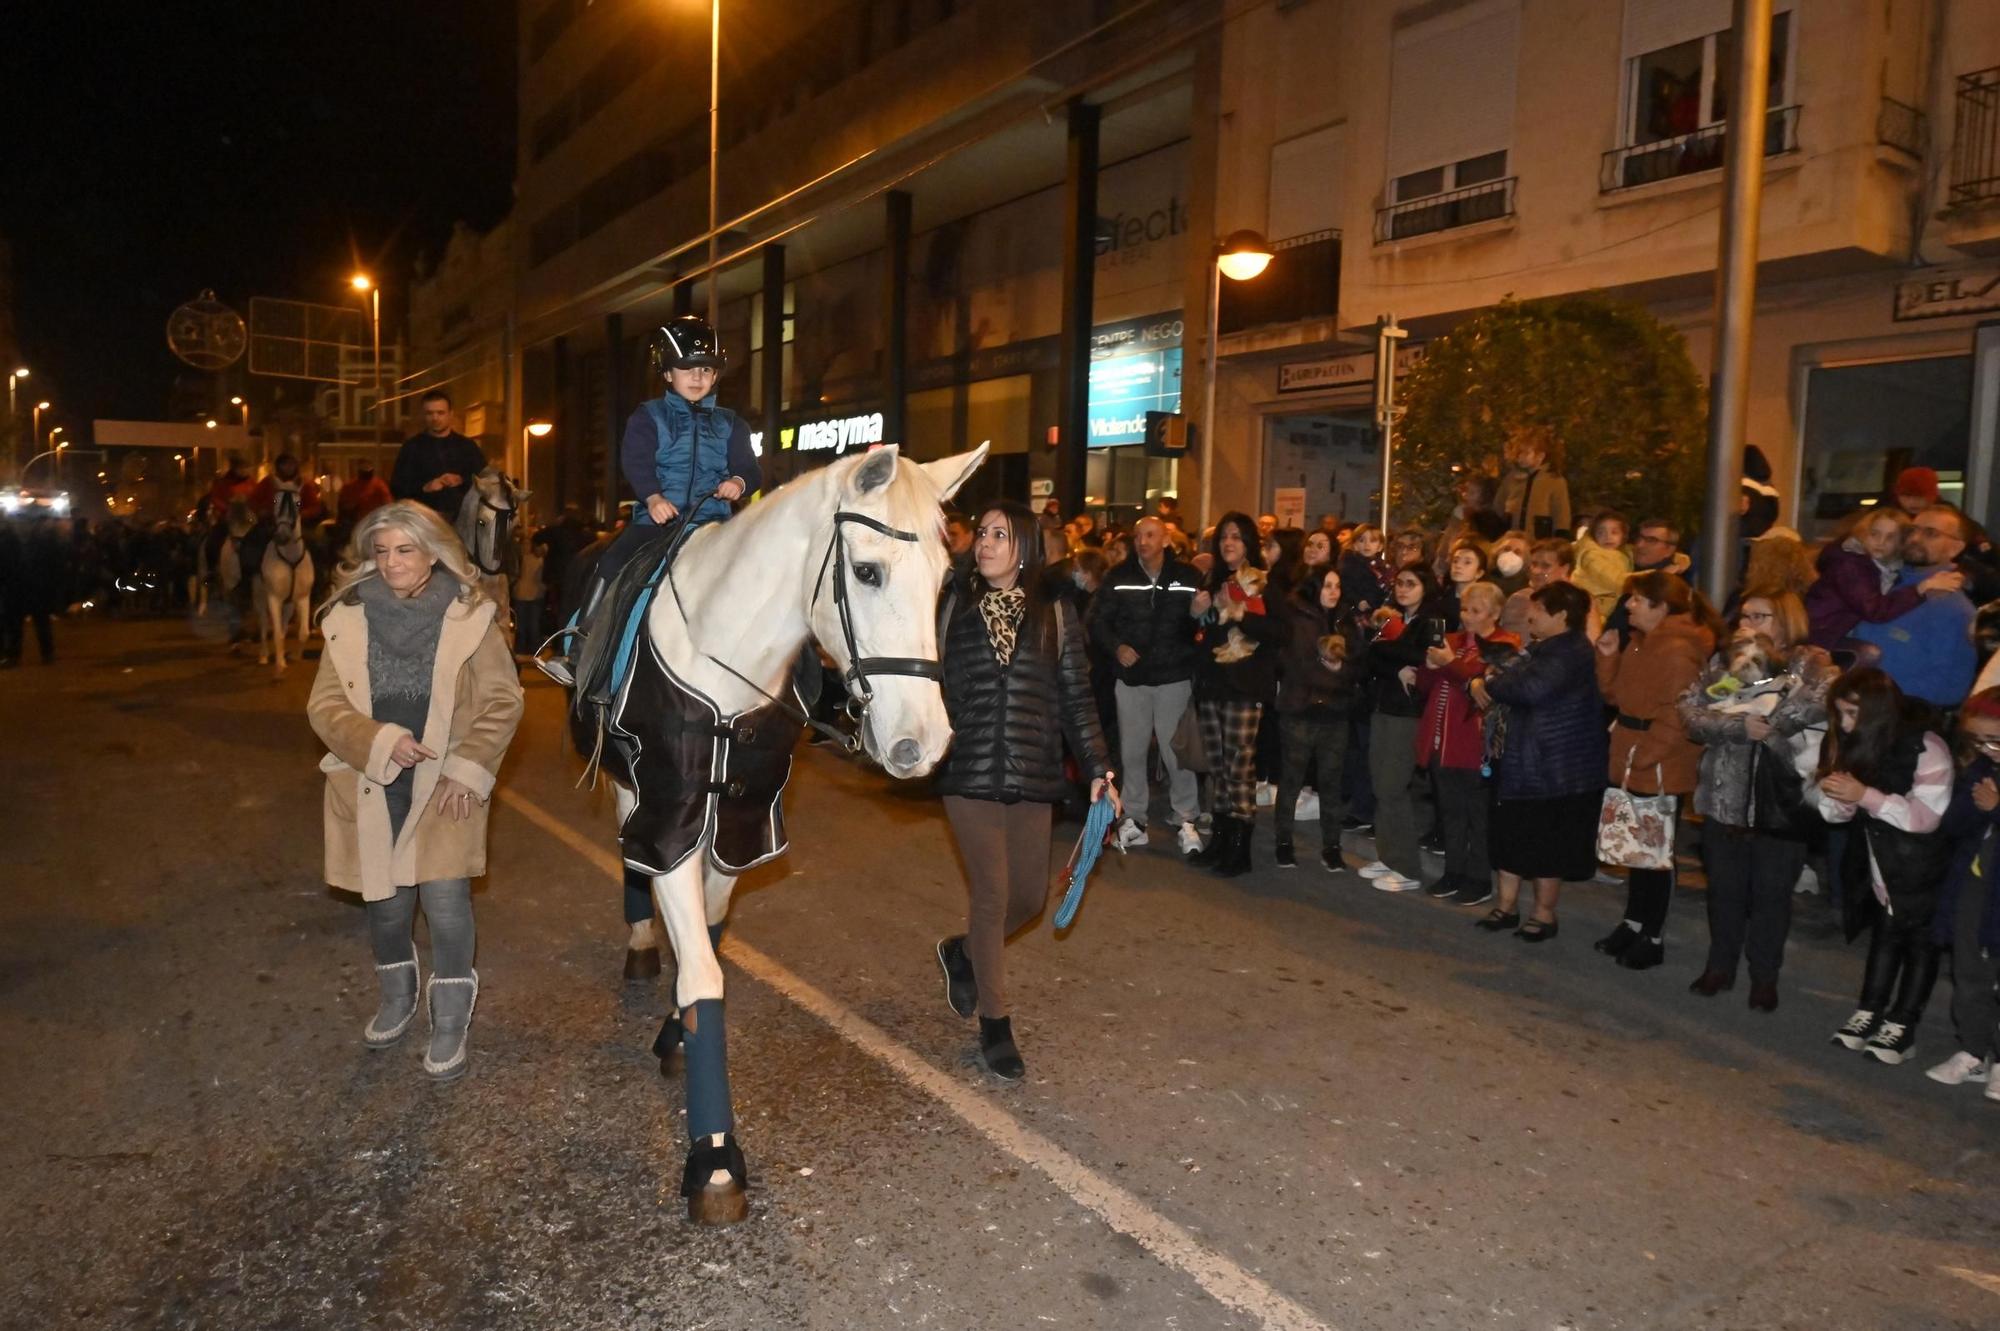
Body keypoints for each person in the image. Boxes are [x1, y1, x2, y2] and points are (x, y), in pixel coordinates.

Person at [306, 500, 525, 1081]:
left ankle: (450, 1023)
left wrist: (467, 767)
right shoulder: (348, 615)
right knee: (386, 907)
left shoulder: (471, 615)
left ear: (433, 552)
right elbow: (324, 705)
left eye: (405, 549)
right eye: (381, 551)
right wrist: (378, 740)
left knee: (447, 905)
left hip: (446, 782)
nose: (392, 562)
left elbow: (503, 700)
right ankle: (397, 1000)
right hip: (371, 778)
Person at [932, 500, 1115, 1082]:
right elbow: (926, 683)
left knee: (1030, 901)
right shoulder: (951, 607)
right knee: (991, 894)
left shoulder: (1057, 614)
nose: (984, 543)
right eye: (981, 534)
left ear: (1025, 547)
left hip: (1032, 771)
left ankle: (963, 953)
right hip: (969, 771)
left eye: (999, 535)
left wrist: (1099, 770)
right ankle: (996, 1023)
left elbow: (1077, 701)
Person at [1678, 592, 1834, 1010]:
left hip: (1780, 801)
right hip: (1724, 797)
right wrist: (1737, 726)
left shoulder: (1811, 662)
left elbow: (1824, 703)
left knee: (1772, 895)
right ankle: (1719, 966)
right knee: (1724, 891)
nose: (1747, 622)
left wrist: (1771, 721)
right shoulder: (1726, 660)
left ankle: (1765, 976)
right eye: (1743, 614)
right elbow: (1691, 712)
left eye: (1759, 616)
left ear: (1784, 621)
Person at [1815, 667, 1953, 1065]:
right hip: (1880, 863)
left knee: (1919, 945)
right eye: (1840, 713)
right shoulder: (1853, 742)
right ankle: (1870, 1010)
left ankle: (1904, 1022)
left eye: (1852, 713)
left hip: (1922, 866)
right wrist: (1841, 798)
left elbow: (1926, 818)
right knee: (1885, 935)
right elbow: (1834, 815)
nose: (1844, 723)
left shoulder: (1925, 746)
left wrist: (1865, 796)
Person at [1593, 571, 1719, 969]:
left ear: (1660, 606)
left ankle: (1653, 934)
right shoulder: (1640, 644)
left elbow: (1677, 714)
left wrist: (1647, 754)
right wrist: (1608, 656)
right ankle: (1633, 923)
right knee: (1635, 847)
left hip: (1655, 761)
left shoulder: (1678, 650)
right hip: (1633, 753)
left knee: (1656, 851)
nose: (1628, 605)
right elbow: (1615, 695)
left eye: (1636, 599)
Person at [1468, 581, 1606, 938]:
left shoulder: (1571, 651)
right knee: (1509, 837)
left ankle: (1544, 915)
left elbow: (1529, 689)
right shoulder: (1543, 648)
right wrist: (1489, 679)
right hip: (1522, 761)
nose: (1530, 614)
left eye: (1538, 609)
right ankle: (1505, 906)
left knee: (1546, 845)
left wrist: (1489, 683)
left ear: (1561, 615)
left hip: (1552, 766)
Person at [1094, 516, 1204, 855]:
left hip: (1173, 676)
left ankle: (1186, 817)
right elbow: (1098, 621)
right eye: (1139, 535)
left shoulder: (1187, 576)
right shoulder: (1119, 576)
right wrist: (1117, 647)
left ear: (1167, 539)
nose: (1143, 541)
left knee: (1176, 753)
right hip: (1132, 680)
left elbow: (1202, 624)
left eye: (1151, 535)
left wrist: (1201, 613)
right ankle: (1135, 818)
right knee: (1132, 751)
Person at [1186, 512, 1282, 876]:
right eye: (1224, 537)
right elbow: (1198, 637)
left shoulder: (1261, 583)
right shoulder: (1212, 581)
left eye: (1237, 537)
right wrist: (1194, 615)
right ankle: (1222, 841)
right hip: (1212, 684)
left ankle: (1240, 849)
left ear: (1249, 544)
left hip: (1244, 686)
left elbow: (1280, 632)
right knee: (1219, 768)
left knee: (1239, 768)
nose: (1229, 543)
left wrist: (1240, 613)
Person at [1414, 581, 1520, 904]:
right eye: (1465, 609)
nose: (1467, 616)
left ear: (1495, 613)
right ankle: (1453, 871)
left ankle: (1478, 878)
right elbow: (1424, 685)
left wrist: (1448, 664)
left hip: (1475, 743)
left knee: (1478, 815)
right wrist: (1430, 667)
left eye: (1476, 611)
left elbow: (1484, 687)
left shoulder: (1505, 644)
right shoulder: (1452, 641)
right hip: (1441, 739)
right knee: (1451, 812)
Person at [1356, 563, 1450, 891]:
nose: (1403, 589)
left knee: (1394, 787)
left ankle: (1407, 867)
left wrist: (1388, 654)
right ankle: (1388, 854)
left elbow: (1424, 654)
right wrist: (1394, 663)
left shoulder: (1431, 620)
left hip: (1407, 713)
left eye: (1411, 583)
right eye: (1399, 583)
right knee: (1381, 785)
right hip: (1383, 706)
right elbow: (1371, 657)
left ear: (1425, 587)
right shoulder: (1395, 619)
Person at [1926, 689, 2000, 1095]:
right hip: (1974, 886)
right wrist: (1977, 802)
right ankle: (1973, 1050)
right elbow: (1953, 824)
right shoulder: (1982, 769)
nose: (1987, 749)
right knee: (1969, 971)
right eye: (1978, 741)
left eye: (1995, 739)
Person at [1273, 565, 1363, 870]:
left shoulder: (1345, 620)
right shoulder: (1298, 617)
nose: (1333, 592)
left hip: (1335, 713)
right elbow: (1298, 664)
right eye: (1327, 585)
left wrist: (1341, 672)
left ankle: (1331, 845)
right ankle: (1283, 842)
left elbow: (1356, 663)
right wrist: (1336, 673)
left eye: (1337, 586)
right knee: (1291, 780)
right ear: (1314, 588)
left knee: (1331, 782)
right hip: (1300, 709)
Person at [1851, 505, 1979, 712]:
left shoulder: (1953, 608)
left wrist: (1878, 698)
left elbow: (1950, 687)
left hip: (1900, 719)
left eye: (1931, 533)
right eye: (1912, 530)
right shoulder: (1880, 582)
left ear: (1955, 548)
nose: (1915, 538)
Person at [1806, 508, 1960, 651]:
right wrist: (1921, 589)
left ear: (1901, 543)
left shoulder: (1885, 566)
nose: (1881, 542)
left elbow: (1921, 565)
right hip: (1818, 635)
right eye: (1875, 534)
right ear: (1863, 533)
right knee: (1870, 653)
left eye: (1891, 537)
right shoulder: (1850, 565)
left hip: (1832, 634)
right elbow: (1875, 610)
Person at [390, 389, 489, 521]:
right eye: (430, 413)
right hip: (424, 522)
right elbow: (397, 488)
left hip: (463, 522)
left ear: (450, 414)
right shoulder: (412, 448)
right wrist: (425, 487)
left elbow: (486, 482)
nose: (435, 418)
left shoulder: (467, 447)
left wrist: (461, 480)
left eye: (440, 413)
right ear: (423, 415)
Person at [1496, 424, 1572, 540]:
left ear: (1540, 456)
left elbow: (1561, 514)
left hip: (1539, 540)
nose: (1521, 457)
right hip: (1512, 539)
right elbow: (1499, 506)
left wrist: (1560, 537)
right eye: (1519, 453)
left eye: (1526, 453)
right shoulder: (1511, 479)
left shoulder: (1555, 481)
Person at [1500, 537, 1574, 638]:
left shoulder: (1578, 602)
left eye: (1545, 566)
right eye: (1534, 564)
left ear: (1565, 569)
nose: (1536, 571)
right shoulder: (1518, 599)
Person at [1572, 510, 1634, 620]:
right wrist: (1652, 575)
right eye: (1601, 533)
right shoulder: (1591, 556)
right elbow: (1616, 581)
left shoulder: (1623, 553)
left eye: (1614, 532)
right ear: (1593, 536)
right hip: (1592, 612)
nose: (1608, 537)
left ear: (1623, 536)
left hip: (1608, 610)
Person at [249, 452, 324, 527]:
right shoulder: (268, 482)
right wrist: (263, 511)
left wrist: (300, 514)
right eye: (284, 464)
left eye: (291, 464)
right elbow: (253, 500)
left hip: (298, 524)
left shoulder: (304, 484)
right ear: (278, 466)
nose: (288, 467)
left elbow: (315, 507)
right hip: (271, 523)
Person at [336, 460, 392, 534]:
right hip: (354, 524)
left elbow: (388, 505)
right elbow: (342, 506)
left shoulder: (380, 486)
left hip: (374, 523)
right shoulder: (349, 487)